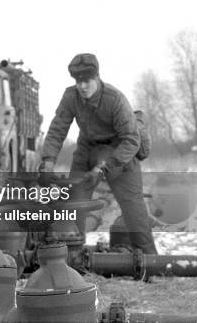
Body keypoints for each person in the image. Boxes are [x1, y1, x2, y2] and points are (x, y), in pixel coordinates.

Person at [39, 53, 157, 255]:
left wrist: (103, 170)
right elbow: (57, 129)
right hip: (87, 150)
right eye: (78, 81)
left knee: (132, 207)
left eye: (86, 81)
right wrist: (48, 162)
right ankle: (72, 258)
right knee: (75, 202)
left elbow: (131, 139)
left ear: (97, 77)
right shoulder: (70, 97)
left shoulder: (115, 99)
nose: (82, 86)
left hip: (120, 152)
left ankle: (150, 261)